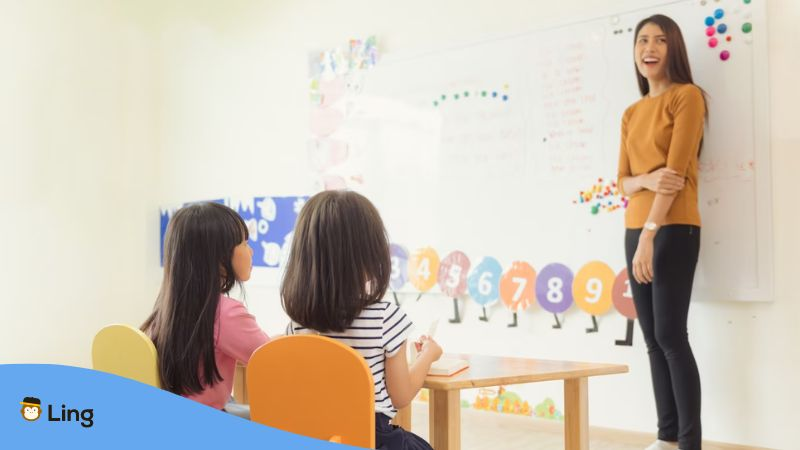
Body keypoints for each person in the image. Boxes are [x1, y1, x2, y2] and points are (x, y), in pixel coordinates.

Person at [281, 190, 442, 450]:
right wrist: (428, 356)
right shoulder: (385, 318)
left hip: (313, 438)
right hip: (371, 439)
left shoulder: (297, 325)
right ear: (369, 253)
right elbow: (401, 396)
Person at [617, 14, 707, 450]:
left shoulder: (687, 98)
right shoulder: (631, 112)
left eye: (658, 40)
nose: (648, 48)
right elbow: (622, 182)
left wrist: (651, 232)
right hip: (635, 230)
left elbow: (674, 174)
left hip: (672, 227)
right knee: (652, 338)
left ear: (673, 47)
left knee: (671, 334)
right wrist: (644, 181)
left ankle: (690, 442)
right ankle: (666, 437)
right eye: (641, 41)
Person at [142, 202, 270, 412]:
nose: (251, 251)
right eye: (245, 243)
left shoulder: (166, 310)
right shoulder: (226, 313)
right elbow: (273, 359)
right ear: (219, 257)